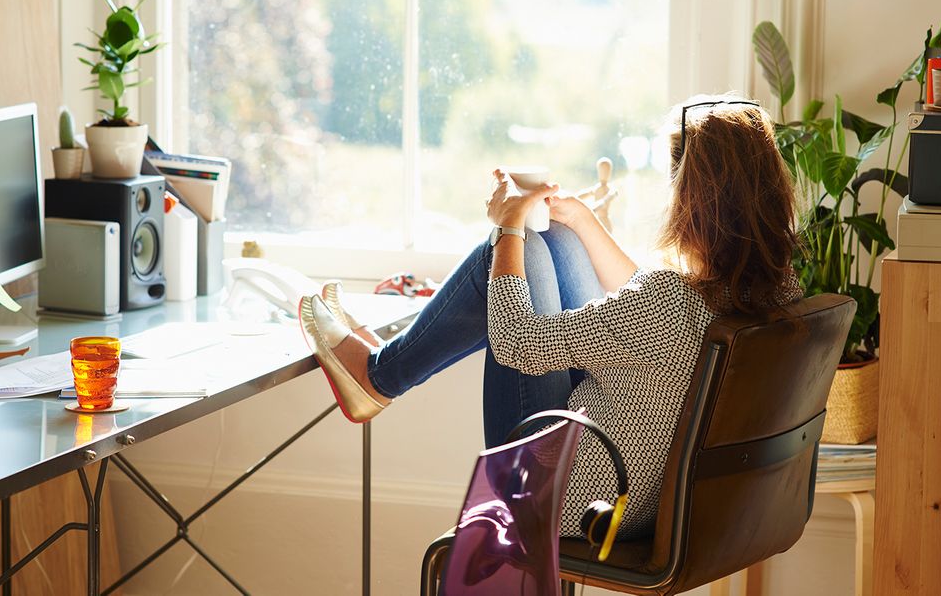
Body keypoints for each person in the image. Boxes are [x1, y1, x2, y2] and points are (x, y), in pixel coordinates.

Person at [298, 96, 802, 540]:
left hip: (557, 501)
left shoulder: (666, 301)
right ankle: (384, 366)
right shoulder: (775, 292)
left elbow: (517, 343)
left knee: (502, 254)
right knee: (557, 239)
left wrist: (509, 228)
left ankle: (379, 375)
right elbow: (646, 306)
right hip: (646, 502)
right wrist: (581, 219)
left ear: (691, 200)